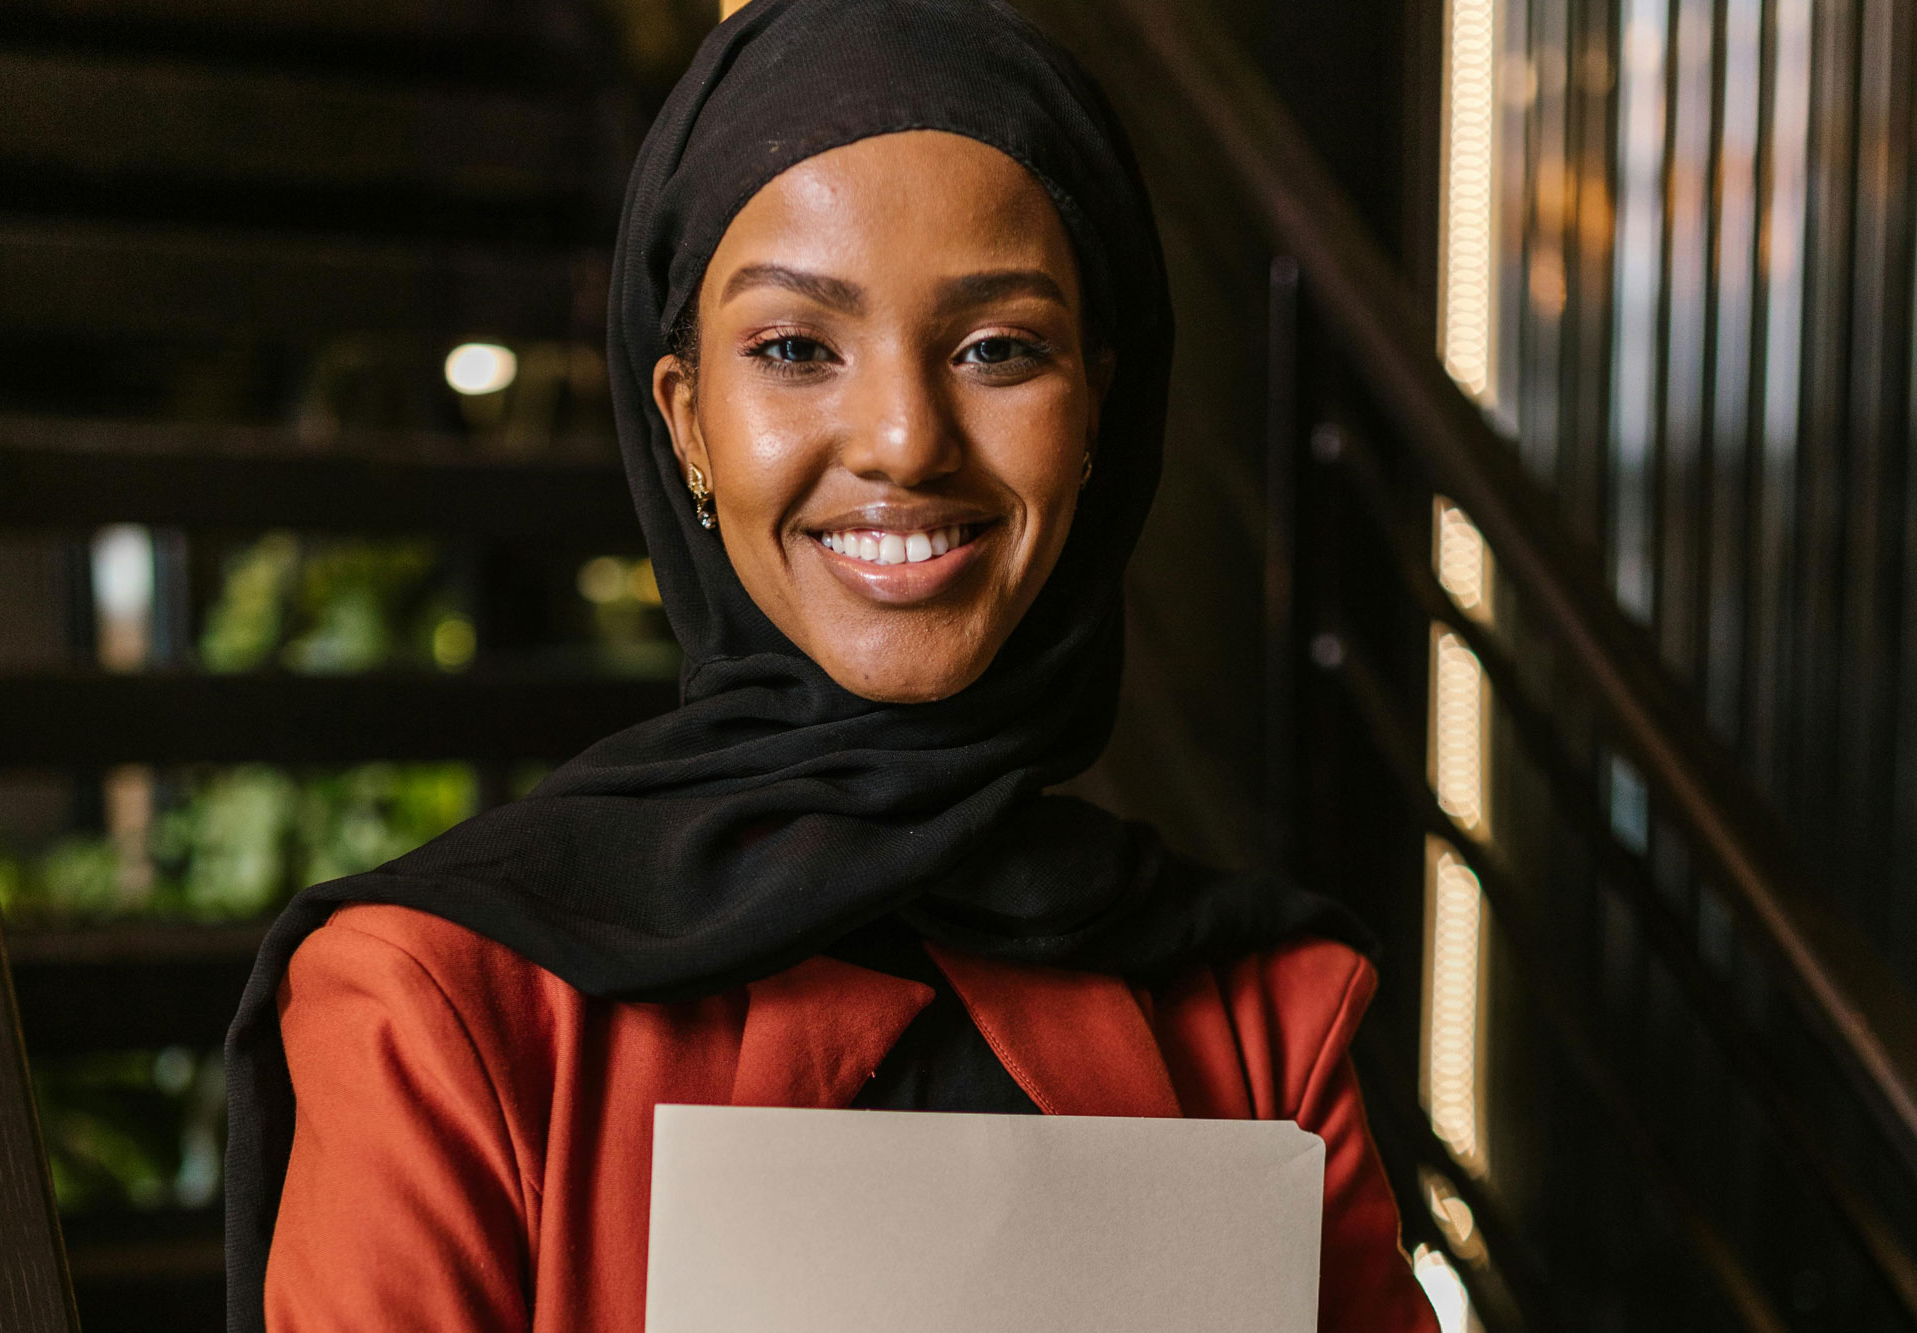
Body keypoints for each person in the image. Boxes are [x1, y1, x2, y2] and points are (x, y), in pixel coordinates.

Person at [222, 1, 1442, 1329]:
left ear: (1098, 406)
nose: (907, 438)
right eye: (797, 348)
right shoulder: (439, 1005)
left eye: (999, 348)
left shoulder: (1270, 1015)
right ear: (687, 420)